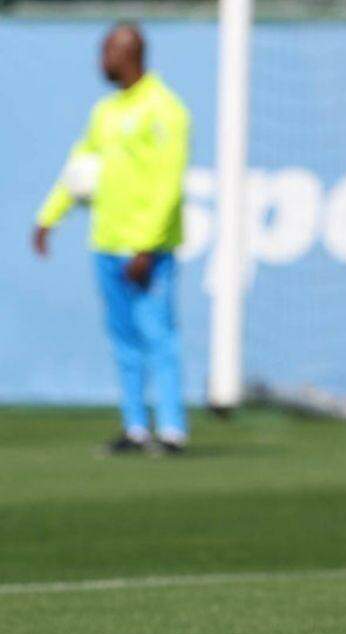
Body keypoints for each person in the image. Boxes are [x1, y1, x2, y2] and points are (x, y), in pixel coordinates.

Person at [33, 22, 191, 454]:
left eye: (107, 51)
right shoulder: (106, 112)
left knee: (159, 336)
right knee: (124, 339)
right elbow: (80, 168)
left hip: (147, 249)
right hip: (106, 242)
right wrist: (49, 217)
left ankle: (172, 430)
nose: (101, 60)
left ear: (130, 53)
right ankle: (136, 427)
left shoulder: (164, 109)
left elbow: (168, 184)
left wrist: (146, 244)